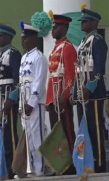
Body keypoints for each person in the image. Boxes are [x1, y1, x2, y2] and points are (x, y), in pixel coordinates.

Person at [73, 6, 108, 173]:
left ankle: (100, 163)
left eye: (86, 21)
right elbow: (78, 69)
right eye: (82, 21)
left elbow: (99, 68)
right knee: (84, 128)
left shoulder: (98, 40)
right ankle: (88, 160)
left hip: (93, 93)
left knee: (95, 128)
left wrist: (90, 87)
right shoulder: (82, 42)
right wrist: (75, 92)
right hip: (81, 92)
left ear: (95, 23)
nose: (82, 24)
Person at [12, 23, 48, 177]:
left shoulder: (39, 57)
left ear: (34, 39)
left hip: (34, 104)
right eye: (22, 38)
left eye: (25, 38)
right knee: (28, 138)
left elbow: (39, 82)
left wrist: (31, 102)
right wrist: (21, 104)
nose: (23, 41)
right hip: (24, 101)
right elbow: (22, 82)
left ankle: (40, 169)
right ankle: (30, 167)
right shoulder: (24, 57)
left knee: (37, 137)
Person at [45, 12, 77, 174]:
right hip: (53, 96)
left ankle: (71, 164)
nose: (53, 29)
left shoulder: (68, 47)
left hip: (61, 97)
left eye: (56, 27)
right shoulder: (56, 48)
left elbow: (71, 74)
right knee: (57, 132)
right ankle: (61, 164)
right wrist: (48, 98)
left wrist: (66, 94)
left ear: (64, 28)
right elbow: (51, 76)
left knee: (67, 131)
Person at [0, 19, 22, 179]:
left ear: (8, 37)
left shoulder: (13, 53)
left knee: (9, 134)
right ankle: (2, 166)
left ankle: (13, 167)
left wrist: (12, 98)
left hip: (7, 96)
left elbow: (17, 79)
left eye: (0, 36)